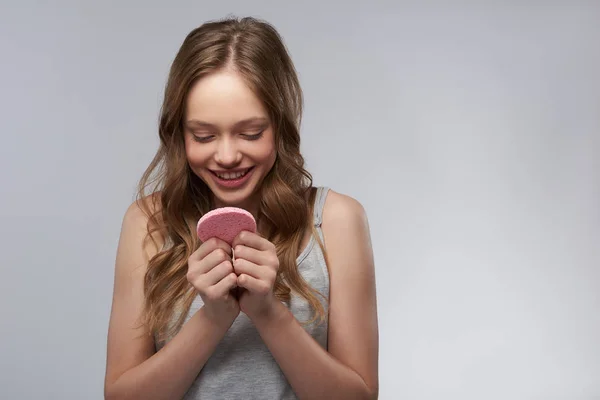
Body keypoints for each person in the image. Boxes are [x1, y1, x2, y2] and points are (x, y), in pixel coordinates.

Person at [104, 16, 379, 400]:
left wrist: (267, 313)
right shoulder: (148, 222)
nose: (228, 156)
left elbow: (358, 397)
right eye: (203, 135)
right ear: (178, 133)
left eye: (251, 133)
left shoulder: (335, 220)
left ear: (281, 127)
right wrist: (214, 318)